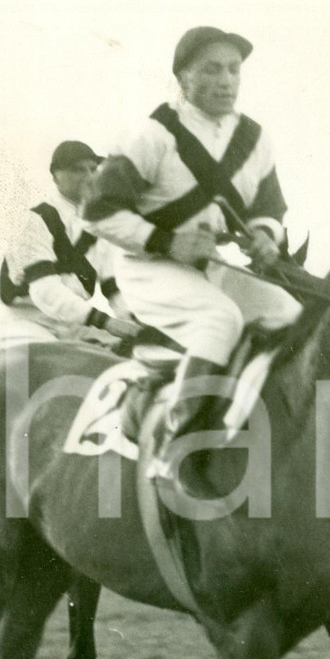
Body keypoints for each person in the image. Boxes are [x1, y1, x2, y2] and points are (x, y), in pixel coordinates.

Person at [82, 26, 300, 476]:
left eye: (234, 70)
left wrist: (264, 234)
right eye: (212, 69)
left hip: (212, 266)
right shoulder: (152, 135)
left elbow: (269, 207)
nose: (226, 80)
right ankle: (173, 444)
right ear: (183, 78)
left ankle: (265, 434)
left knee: (290, 317)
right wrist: (167, 242)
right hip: (148, 269)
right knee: (219, 320)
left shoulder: (255, 140)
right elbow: (96, 210)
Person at [0, 139, 139, 346]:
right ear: (56, 176)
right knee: (42, 366)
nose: (89, 177)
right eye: (78, 170)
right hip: (29, 325)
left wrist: (134, 322)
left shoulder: (97, 225)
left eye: (93, 169)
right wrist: (106, 322)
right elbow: (44, 291)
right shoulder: (35, 219)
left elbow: (113, 288)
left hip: (73, 326)